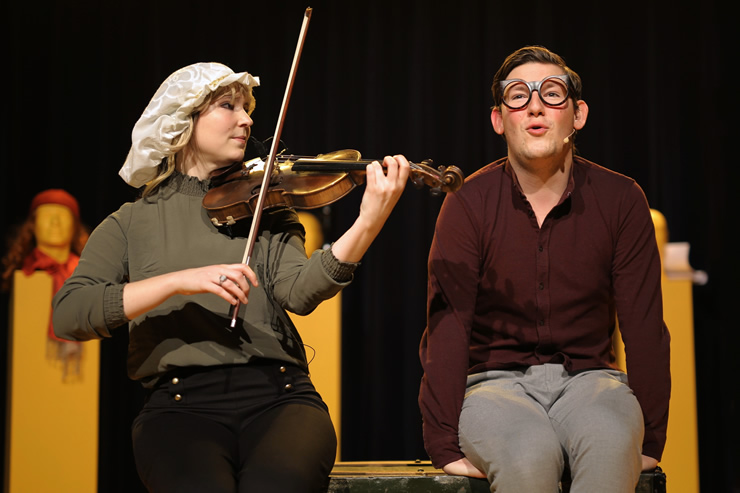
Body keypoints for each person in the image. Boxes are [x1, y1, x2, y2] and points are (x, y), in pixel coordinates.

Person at [52, 62, 410, 493]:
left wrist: (367, 223)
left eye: (247, 108)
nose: (247, 119)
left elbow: (300, 292)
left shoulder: (267, 205)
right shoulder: (130, 223)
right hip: (179, 408)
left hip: (280, 396)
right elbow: (70, 313)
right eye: (228, 106)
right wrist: (179, 280)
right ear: (183, 119)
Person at [418, 46, 670, 492]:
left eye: (552, 94)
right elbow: (447, 326)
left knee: (611, 445)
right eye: (518, 96)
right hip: (494, 385)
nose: (535, 105)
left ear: (578, 115)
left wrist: (649, 437)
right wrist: (442, 443)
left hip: (592, 382)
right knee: (529, 455)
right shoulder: (468, 203)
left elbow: (645, 324)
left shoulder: (622, 199)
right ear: (499, 119)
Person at [1, 189, 89, 377]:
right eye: (47, 215)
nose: (55, 222)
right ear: (32, 224)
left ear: (74, 226)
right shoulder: (27, 273)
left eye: (62, 216)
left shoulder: (85, 273)